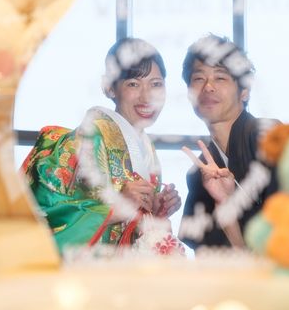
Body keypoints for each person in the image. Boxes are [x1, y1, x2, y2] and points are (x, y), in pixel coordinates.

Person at [22, 38, 182, 254]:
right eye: (133, 84)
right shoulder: (88, 138)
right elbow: (46, 209)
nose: (147, 97)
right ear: (109, 87)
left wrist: (155, 209)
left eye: (156, 84)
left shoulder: (146, 149)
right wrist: (115, 209)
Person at [179, 34, 278, 249]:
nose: (208, 87)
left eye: (220, 78)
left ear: (244, 92)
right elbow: (215, 257)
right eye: (198, 79)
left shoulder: (268, 137)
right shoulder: (198, 175)